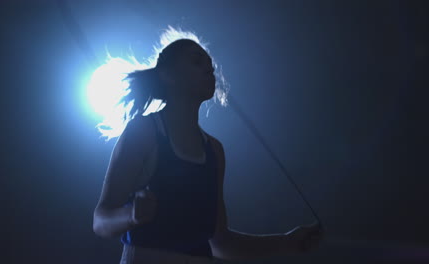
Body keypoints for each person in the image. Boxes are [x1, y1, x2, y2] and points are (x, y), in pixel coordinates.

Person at [93, 32, 323, 264]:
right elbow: (100, 222)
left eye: (210, 65)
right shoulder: (143, 132)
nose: (209, 69)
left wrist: (289, 242)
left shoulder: (214, 151)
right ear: (167, 75)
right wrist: (131, 216)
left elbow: (220, 244)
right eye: (196, 61)